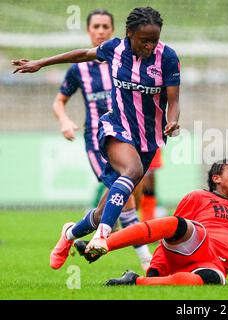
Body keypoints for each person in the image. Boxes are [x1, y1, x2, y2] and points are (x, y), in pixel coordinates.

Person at [12, 6, 180, 270]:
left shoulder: (167, 57)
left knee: (109, 206)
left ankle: (69, 234)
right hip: (113, 128)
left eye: (154, 40)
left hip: (148, 138)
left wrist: (173, 120)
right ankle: (108, 238)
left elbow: (174, 99)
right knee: (132, 174)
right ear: (129, 34)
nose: (149, 46)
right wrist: (41, 63)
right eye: (143, 40)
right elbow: (80, 55)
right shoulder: (115, 50)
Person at [53, 9, 152, 271]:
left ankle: (71, 233)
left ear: (113, 30)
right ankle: (148, 262)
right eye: (95, 26)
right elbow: (59, 102)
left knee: (109, 209)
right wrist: (64, 120)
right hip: (100, 143)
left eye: (105, 26)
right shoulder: (79, 70)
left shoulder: (125, 60)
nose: (100, 31)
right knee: (127, 199)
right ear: (88, 31)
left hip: (129, 138)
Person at [83, 159, 228, 286]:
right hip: (200, 243)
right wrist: (155, 267)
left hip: (210, 264)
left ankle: (135, 281)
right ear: (216, 178)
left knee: (214, 279)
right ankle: (104, 243)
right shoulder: (199, 197)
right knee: (178, 224)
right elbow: (168, 231)